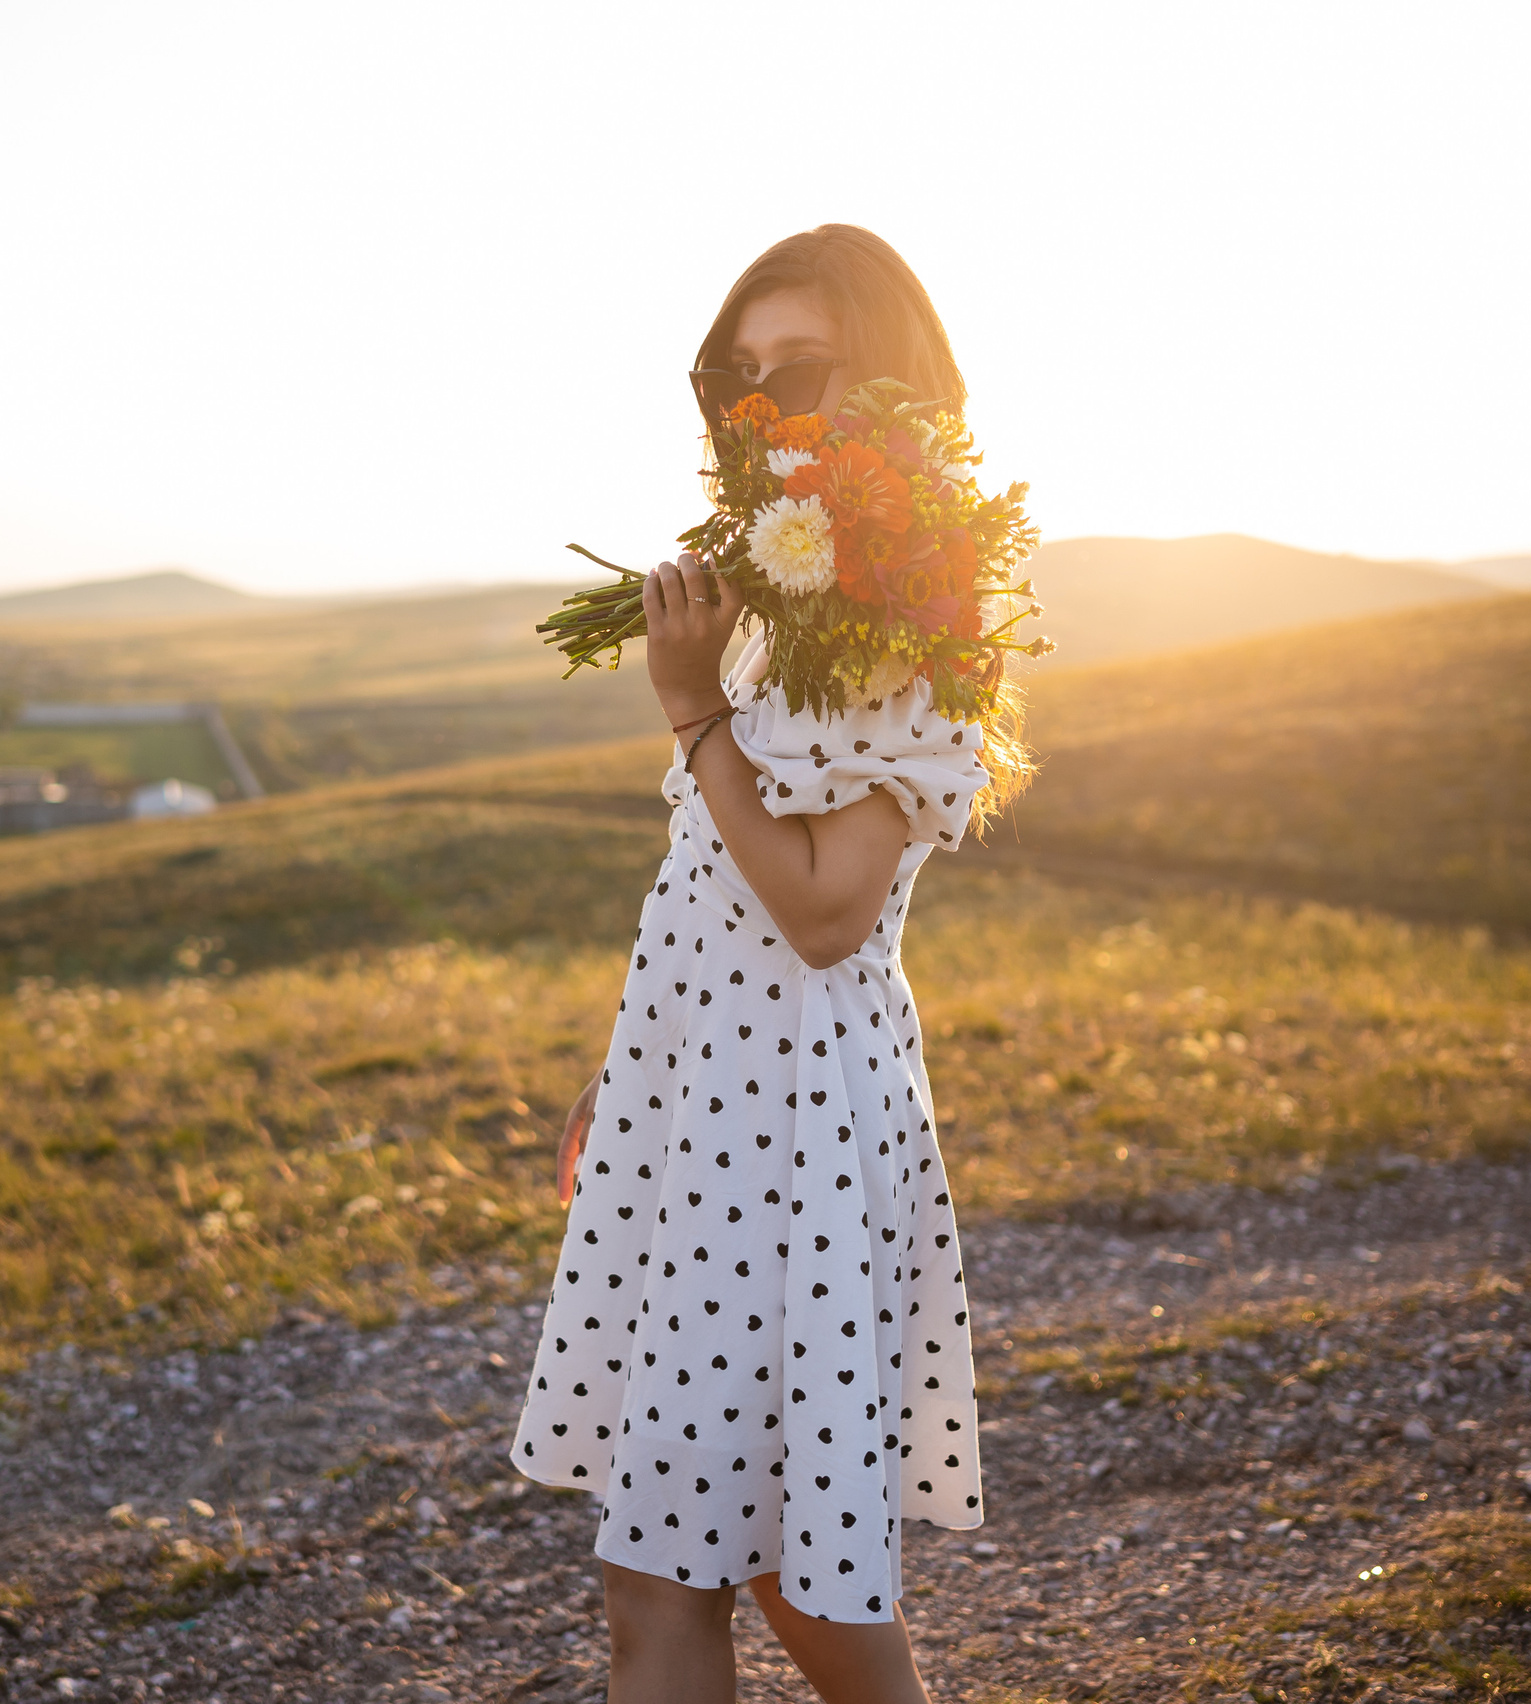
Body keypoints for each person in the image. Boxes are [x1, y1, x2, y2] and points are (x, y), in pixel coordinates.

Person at [509, 225, 1031, 1703]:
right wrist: (626, 1075)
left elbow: (820, 911)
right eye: (725, 379)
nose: (750, 408)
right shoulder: (777, 590)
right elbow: (710, 883)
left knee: (690, 1565)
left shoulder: (916, 611)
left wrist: (688, 712)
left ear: (888, 385)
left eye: (789, 370)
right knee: (730, 1552)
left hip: (794, 1121)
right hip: (702, 1104)